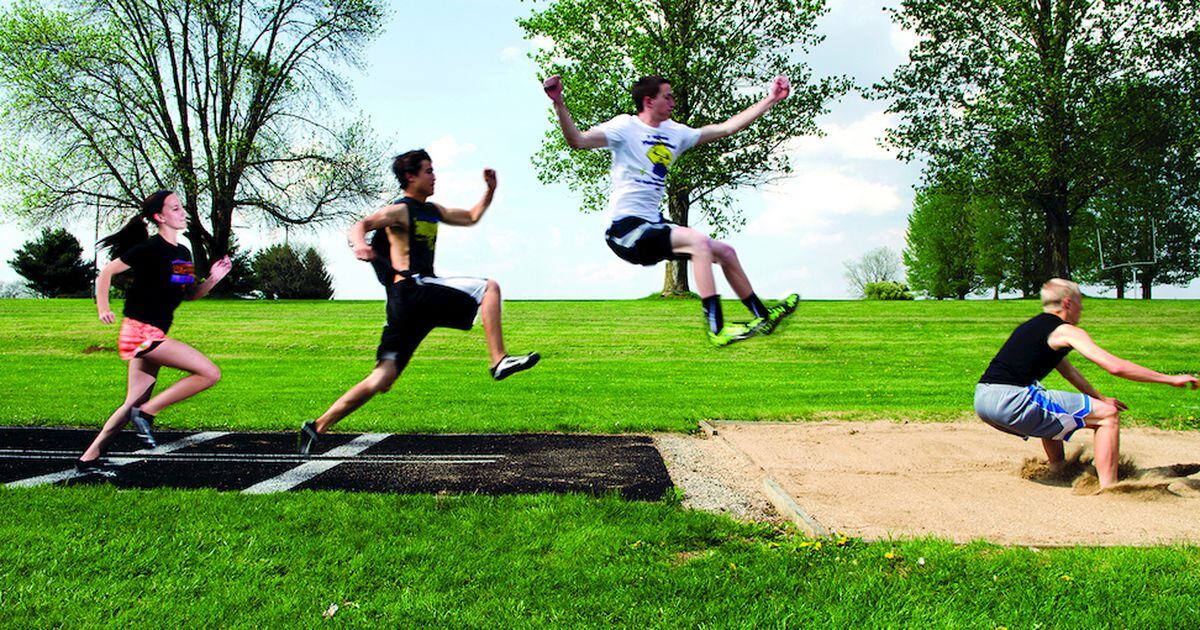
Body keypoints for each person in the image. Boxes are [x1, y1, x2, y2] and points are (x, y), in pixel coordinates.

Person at [298, 150, 539, 455]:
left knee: (382, 377)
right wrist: (359, 245)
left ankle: (317, 426)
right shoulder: (399, 211)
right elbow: (361, 224)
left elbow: (470, 216)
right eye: (428, 171)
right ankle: (498, 360)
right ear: (410, 177)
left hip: (407, 304)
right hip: (414, 288)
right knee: (488, 288)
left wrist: (489, 191)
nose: (434, 175)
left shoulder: (433, 210)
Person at [542, 73, 800, 347]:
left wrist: (771, 99)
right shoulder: (625, 128)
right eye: (668, 96)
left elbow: (725, 128)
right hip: (625, 231)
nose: (674, 102)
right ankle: (717, 329)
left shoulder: (676, 133)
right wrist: (559, 102)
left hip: (654, 224)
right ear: (648, 101)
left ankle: (763, 316)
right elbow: (577, 140)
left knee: (725, 252)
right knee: (698, 242)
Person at [975, 278, 1197, 489]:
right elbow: (1115, 367)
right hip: (1010, 401)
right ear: (1068, 303)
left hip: (984, 399)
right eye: (1080, 303)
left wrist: (1100, 398)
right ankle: (1110, 486)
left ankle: (1059, 468)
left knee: (1049, 402)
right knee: (1107, 416)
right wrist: (1169, 379)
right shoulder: (1065, 330)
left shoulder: (1030, 327)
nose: (1082, 309)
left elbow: (1069, 371)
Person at [77, 190, 232, 474]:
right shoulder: (150, 248)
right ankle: (147, 414)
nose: (182, 212)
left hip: (153, 332)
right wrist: (103, 308)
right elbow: (106, 273)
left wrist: (213, 279)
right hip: (140, 332)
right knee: (210, 373)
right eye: (175, 209)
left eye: (181, 207)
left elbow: (189, 294)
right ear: (159, 217)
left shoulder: (182, 252)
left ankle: (88, 459)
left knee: (133, 400)